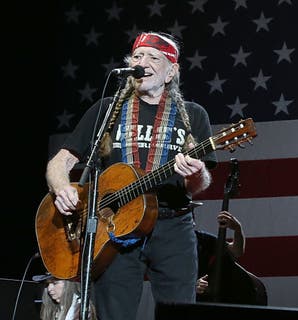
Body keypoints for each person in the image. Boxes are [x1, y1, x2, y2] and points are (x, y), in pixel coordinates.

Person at [45, 31, 217, 319]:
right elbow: (59, 163)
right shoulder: (107, 109)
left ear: (171, 71)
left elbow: (198, 185)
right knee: (113, 313)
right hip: (114, 227)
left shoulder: (193, 114)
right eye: (137, 56)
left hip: (172, 226)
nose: (142, 62)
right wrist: (63, 188)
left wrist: (196, 172)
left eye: (153, 57)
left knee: (180, 312)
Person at [195, 210, 246, 296]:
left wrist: (237, 229)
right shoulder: (165, 244)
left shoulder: (200, 238)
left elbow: (236, 252)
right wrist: (190, 286)